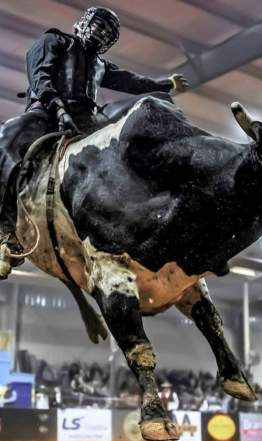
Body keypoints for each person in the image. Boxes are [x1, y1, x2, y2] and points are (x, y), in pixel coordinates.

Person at [0, 6, 189, 278]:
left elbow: (132, 81)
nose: (100, 33)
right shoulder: (55, 40)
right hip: (46, 111)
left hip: (87, 120)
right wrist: (58, 108)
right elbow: (39, 75)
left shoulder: (101, 65)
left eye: (107, 32)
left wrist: (165, 86)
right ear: (81, 24)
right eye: (98, 26)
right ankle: (6, 232)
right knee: (7, 140)